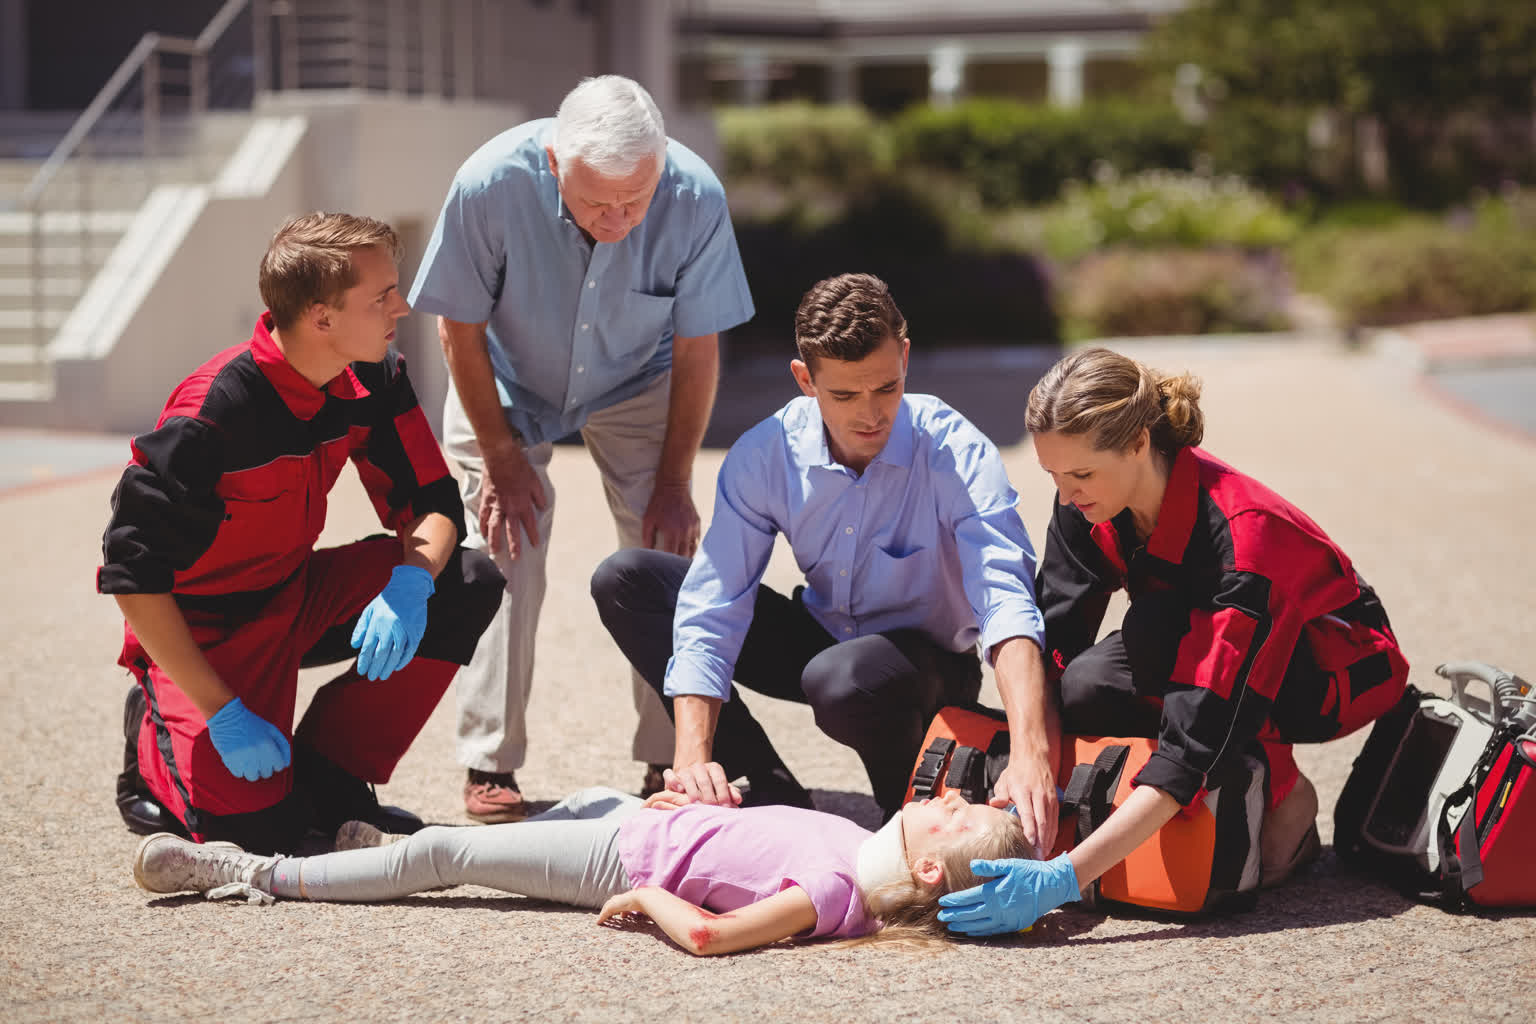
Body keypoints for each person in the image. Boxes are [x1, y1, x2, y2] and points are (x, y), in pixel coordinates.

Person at [937, 347, 1411, 936]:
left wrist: (1062, 877)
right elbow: (1054, 648)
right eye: (1052, 476)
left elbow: (1192, 741)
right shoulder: (1085, 501)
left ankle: (1287, 803)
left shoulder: (1242, 542)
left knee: (1158, 640)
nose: (1065, 496)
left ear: (1138, 443)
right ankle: (1222, 798)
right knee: (1084, 684)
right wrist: (1032, 762)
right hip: (1193, 625)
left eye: (1081, 474)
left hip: (1333, 671)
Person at [592, 273, 1060, 852]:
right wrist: (692, 758)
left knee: (842, 682)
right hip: (825, 640)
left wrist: (1031, 752)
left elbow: (1007, 598)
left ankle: (906, 796)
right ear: (805, 380)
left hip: (925, 669)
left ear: (905, 358)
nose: (871, 415)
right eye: (844, 395)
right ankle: (756, 785)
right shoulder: (766, 453)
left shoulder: (955, 449)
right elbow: (714, 604)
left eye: (886, 388)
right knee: (628, 578)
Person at [100, 212, 505, 855]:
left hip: (294, 593)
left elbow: (433, 503)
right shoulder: (213, 413)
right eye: (382, 297)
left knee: (466, 578)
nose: (401, 306)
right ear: (322, 318)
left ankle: (330, 774)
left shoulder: (371, 375)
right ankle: (151, 735)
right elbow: (132, 574)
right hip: (206, 631)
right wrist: (223, 711)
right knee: (264, 840)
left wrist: (410, 581)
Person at [408, 75, 754, 823]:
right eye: (598, 202)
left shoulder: (694, 195)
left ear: (660, 163)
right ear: (554, 158)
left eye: (636, 200)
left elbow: (698, 352)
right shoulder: (489, 183)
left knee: (666, 547)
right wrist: (500, 459)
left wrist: (673, 481)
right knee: (503, 545)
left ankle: (670, 758)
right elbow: (455, 331)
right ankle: (488, 760)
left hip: (641, 375)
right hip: (503, 376)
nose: (619, 218)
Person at [131, 786, 1027, 954]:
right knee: (454, 840)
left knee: (450, 853)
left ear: (929, 870)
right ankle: (375, 861)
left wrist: (649, 893)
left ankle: (248, 871)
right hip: (646, 826)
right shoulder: (863, 844)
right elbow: (754, 849)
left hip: (623, 860)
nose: (947, 799)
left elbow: (715, 934)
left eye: (956, 818)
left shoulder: (841, 891)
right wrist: (709, 813)